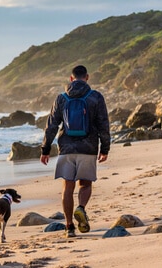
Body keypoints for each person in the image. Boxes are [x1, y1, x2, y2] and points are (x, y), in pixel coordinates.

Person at [40, 65, 110, 238]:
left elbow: (52, 125)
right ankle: (81, 208)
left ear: (71, 79)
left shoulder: (61, 98)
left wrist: (45, 149)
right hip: (88, 147)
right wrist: (105, 148)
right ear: (87, 77)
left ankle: (69, 227)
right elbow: (103, 125)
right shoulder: (95, 97)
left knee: (67, 187)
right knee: (85, 184)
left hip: (67, 148)